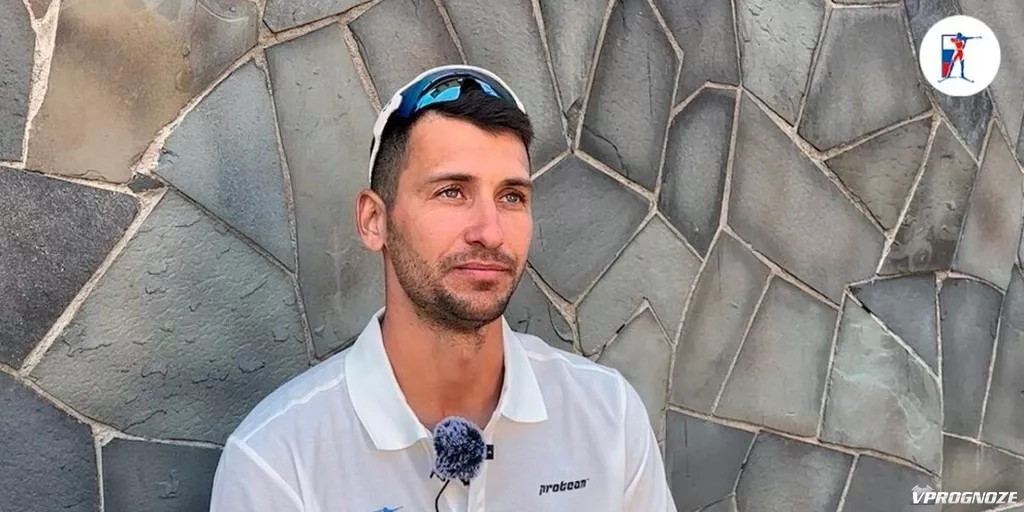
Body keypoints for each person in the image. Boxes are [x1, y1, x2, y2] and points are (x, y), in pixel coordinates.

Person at [209, 64, 676, 511]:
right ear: (374, 221)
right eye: (451, 191)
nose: (490, 232)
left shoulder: (607, 418)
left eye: (511, 196)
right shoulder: (277, 462)